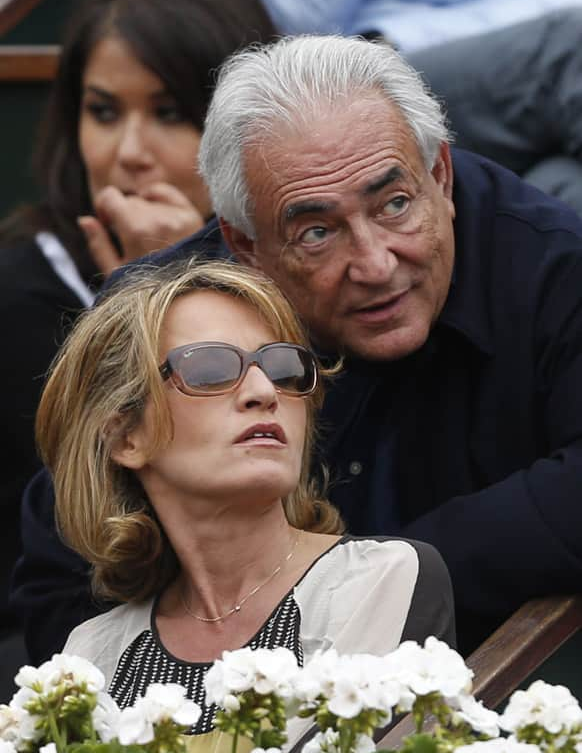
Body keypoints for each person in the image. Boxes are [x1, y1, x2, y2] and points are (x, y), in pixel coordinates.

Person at [13, 35, 582, 660]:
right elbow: (63, 561)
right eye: (316, 232)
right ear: (246, 245)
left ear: (440, 175)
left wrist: (372, 584)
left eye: (394, 204)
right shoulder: (169, 318)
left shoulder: (551, 265)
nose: (374, 263)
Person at [36, 256, 453, 753]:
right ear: (126, 436)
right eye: (210, 369)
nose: (263, 393)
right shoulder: (92, 653)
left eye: (284, 368)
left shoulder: (378, 578)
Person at [0, 0, 276, 688]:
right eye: (103, 111)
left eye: (170, 112)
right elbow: (86, 547)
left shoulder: (299, 274)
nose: (128, 151)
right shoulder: (20, 289)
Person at [222, 0, 582, 214]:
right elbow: (292, 13)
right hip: (350, 69)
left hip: (514, 27)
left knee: (559, 182)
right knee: (568, 51)